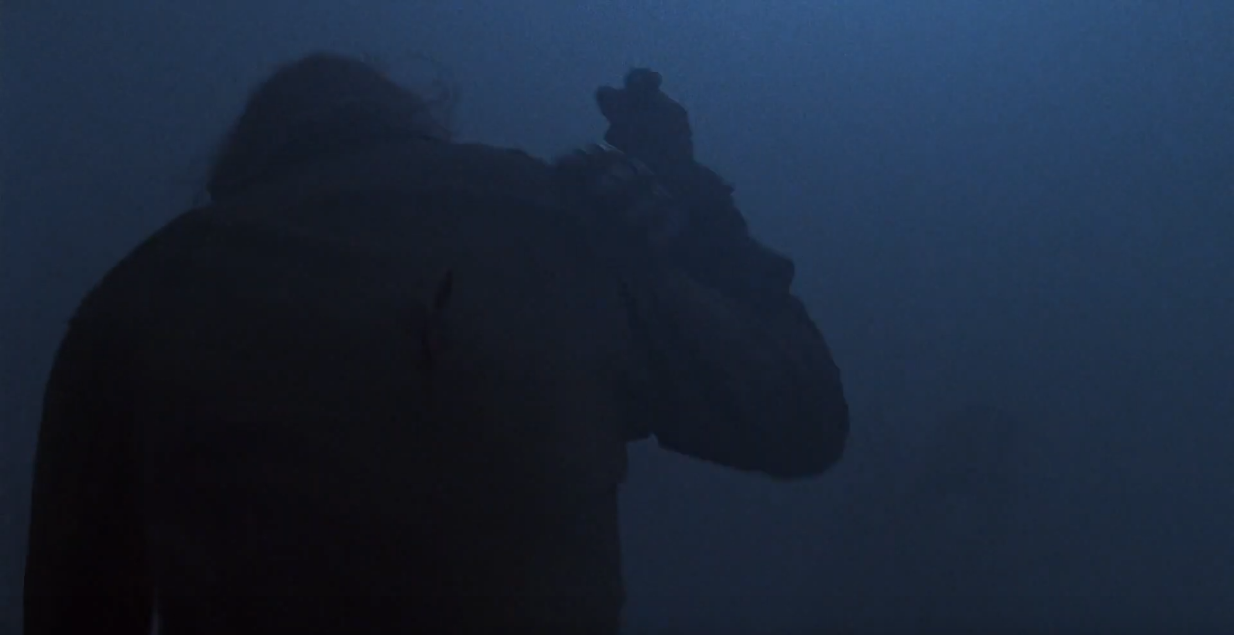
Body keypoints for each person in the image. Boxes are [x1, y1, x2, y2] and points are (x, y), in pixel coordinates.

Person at [22, 55, 849, 635]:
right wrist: (690, 196)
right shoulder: (556, 221)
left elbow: (75, 606)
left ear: (240, 170)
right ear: (417, 125)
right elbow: (801, 414)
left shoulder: (142, 293)